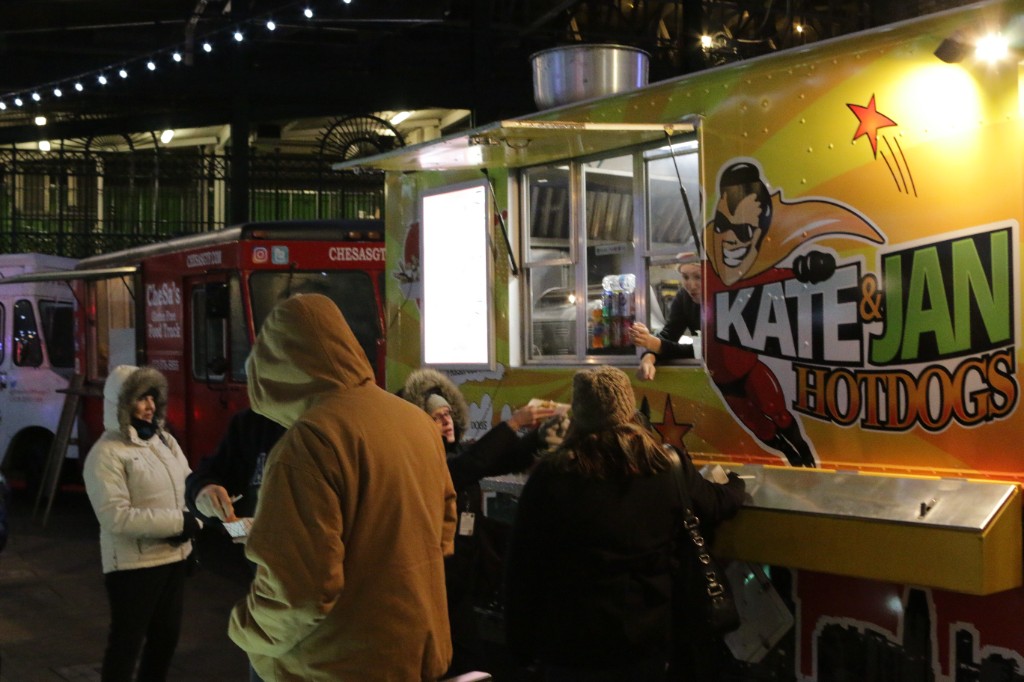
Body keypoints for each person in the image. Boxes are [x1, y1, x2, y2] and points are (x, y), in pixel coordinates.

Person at [228, 293, 457, 681]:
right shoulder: (415, 421)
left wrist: (246, 629)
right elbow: (444, 531)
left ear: (276, 366)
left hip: (335, 665)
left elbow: (298, 590)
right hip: (415, 651)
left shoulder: (310, 442)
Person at [504, 366, 745, 681]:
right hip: (644, 642)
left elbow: (522, 571)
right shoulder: (665, 467)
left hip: (569, 648)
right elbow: (715, 504)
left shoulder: (550, 478)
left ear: (578, 414)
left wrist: (520, 648)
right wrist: (736, 485)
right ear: (627, 411)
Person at [401, 367, 562, 676]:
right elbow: (469, 467)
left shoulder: (456, 451)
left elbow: (499, 458)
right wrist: (513, 422)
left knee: (470, 664)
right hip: (433, 584)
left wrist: (542, 435)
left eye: (448, 414)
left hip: (460, 585)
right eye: (437, 417)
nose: (446, 420)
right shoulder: (423, 462)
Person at [82, 364, 200, 682]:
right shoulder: (106, 454)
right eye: (140, 399)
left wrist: (207, 508)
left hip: (173, 559)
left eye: (153, 398)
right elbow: (116, 516)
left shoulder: (166, 443)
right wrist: (179, 523)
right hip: (133, 568)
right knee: (126, 647)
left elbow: (188, 487)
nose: (149, 406)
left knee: (164, 643)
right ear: (121, 403)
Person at [184, 407, 286, 682]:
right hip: (264, 599)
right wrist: (204, 492)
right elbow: (204, 477)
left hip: (321, 609)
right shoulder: (253, 424)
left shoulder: (334, 426)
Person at [631, 253, 703, 381]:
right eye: (685, 277)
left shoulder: (723, 299)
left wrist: (652, 343)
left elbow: (702, 351)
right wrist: (648, 358)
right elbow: (669, 334)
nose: (691, 285)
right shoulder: (684, 297)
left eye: (698, 277)